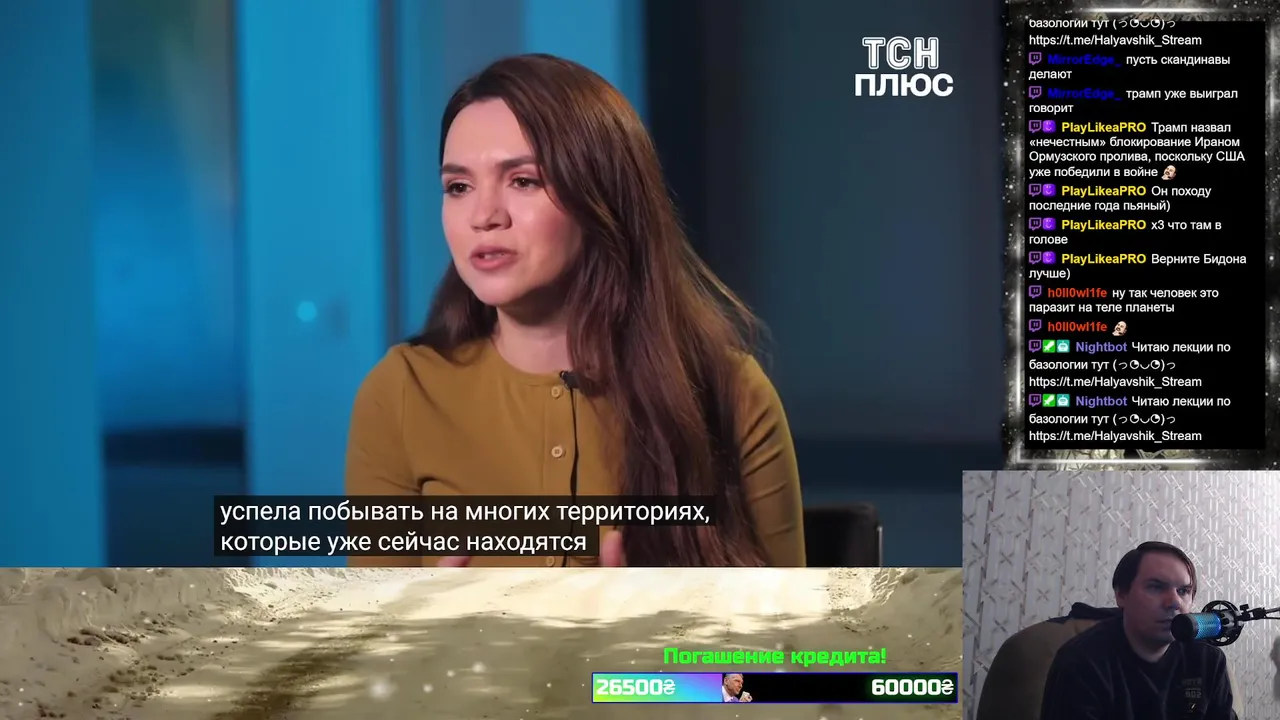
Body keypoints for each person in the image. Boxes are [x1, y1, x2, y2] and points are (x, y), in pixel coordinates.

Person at [345, 54, 805, 568]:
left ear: (602, 196)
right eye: (459, 187)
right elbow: (371, 622)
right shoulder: (402, 393)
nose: (483, 216)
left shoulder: (731, 393)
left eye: (523, 180)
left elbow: (787, 624)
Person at [1040, 541, 1237, 720]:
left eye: (1183, 591)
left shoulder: (1208, 660)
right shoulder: (1081, 662)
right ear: (1121, 594)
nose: (1175, 602)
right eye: (1156, 587)